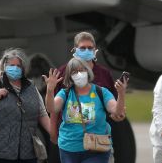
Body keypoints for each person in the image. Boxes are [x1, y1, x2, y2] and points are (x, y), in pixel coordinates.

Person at [50, 32, 128, 162]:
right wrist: (52, 130)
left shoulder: (104, 74)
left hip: (97, 139)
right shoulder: (63, 72)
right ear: (74, 50)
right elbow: (54, 105)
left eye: (90, 48)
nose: (86, 51)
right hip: (71, 141)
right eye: (82, 48)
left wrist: (119, 113)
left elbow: (114, 104)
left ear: (95, 50)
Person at [0, 48, 50, 163]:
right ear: (4, 66)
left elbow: (42, 113)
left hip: (27, 152)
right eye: (11, 65)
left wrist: (55, 134)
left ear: (23, 68)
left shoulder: (32, 87)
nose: (15, 68)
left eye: (18, 66)